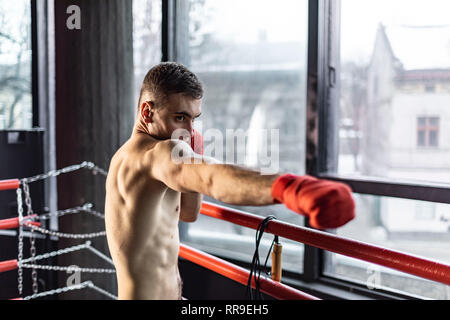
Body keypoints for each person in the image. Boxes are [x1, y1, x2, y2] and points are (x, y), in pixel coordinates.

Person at [104, 62, 355, 300]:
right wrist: (290, 188)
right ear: (147, 112)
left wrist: (195, 153)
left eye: (194, 119)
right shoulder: (151, 155)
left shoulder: (131, 156)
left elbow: (188, 213)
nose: (189, 131)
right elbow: (211, 177)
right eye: (180, 117)